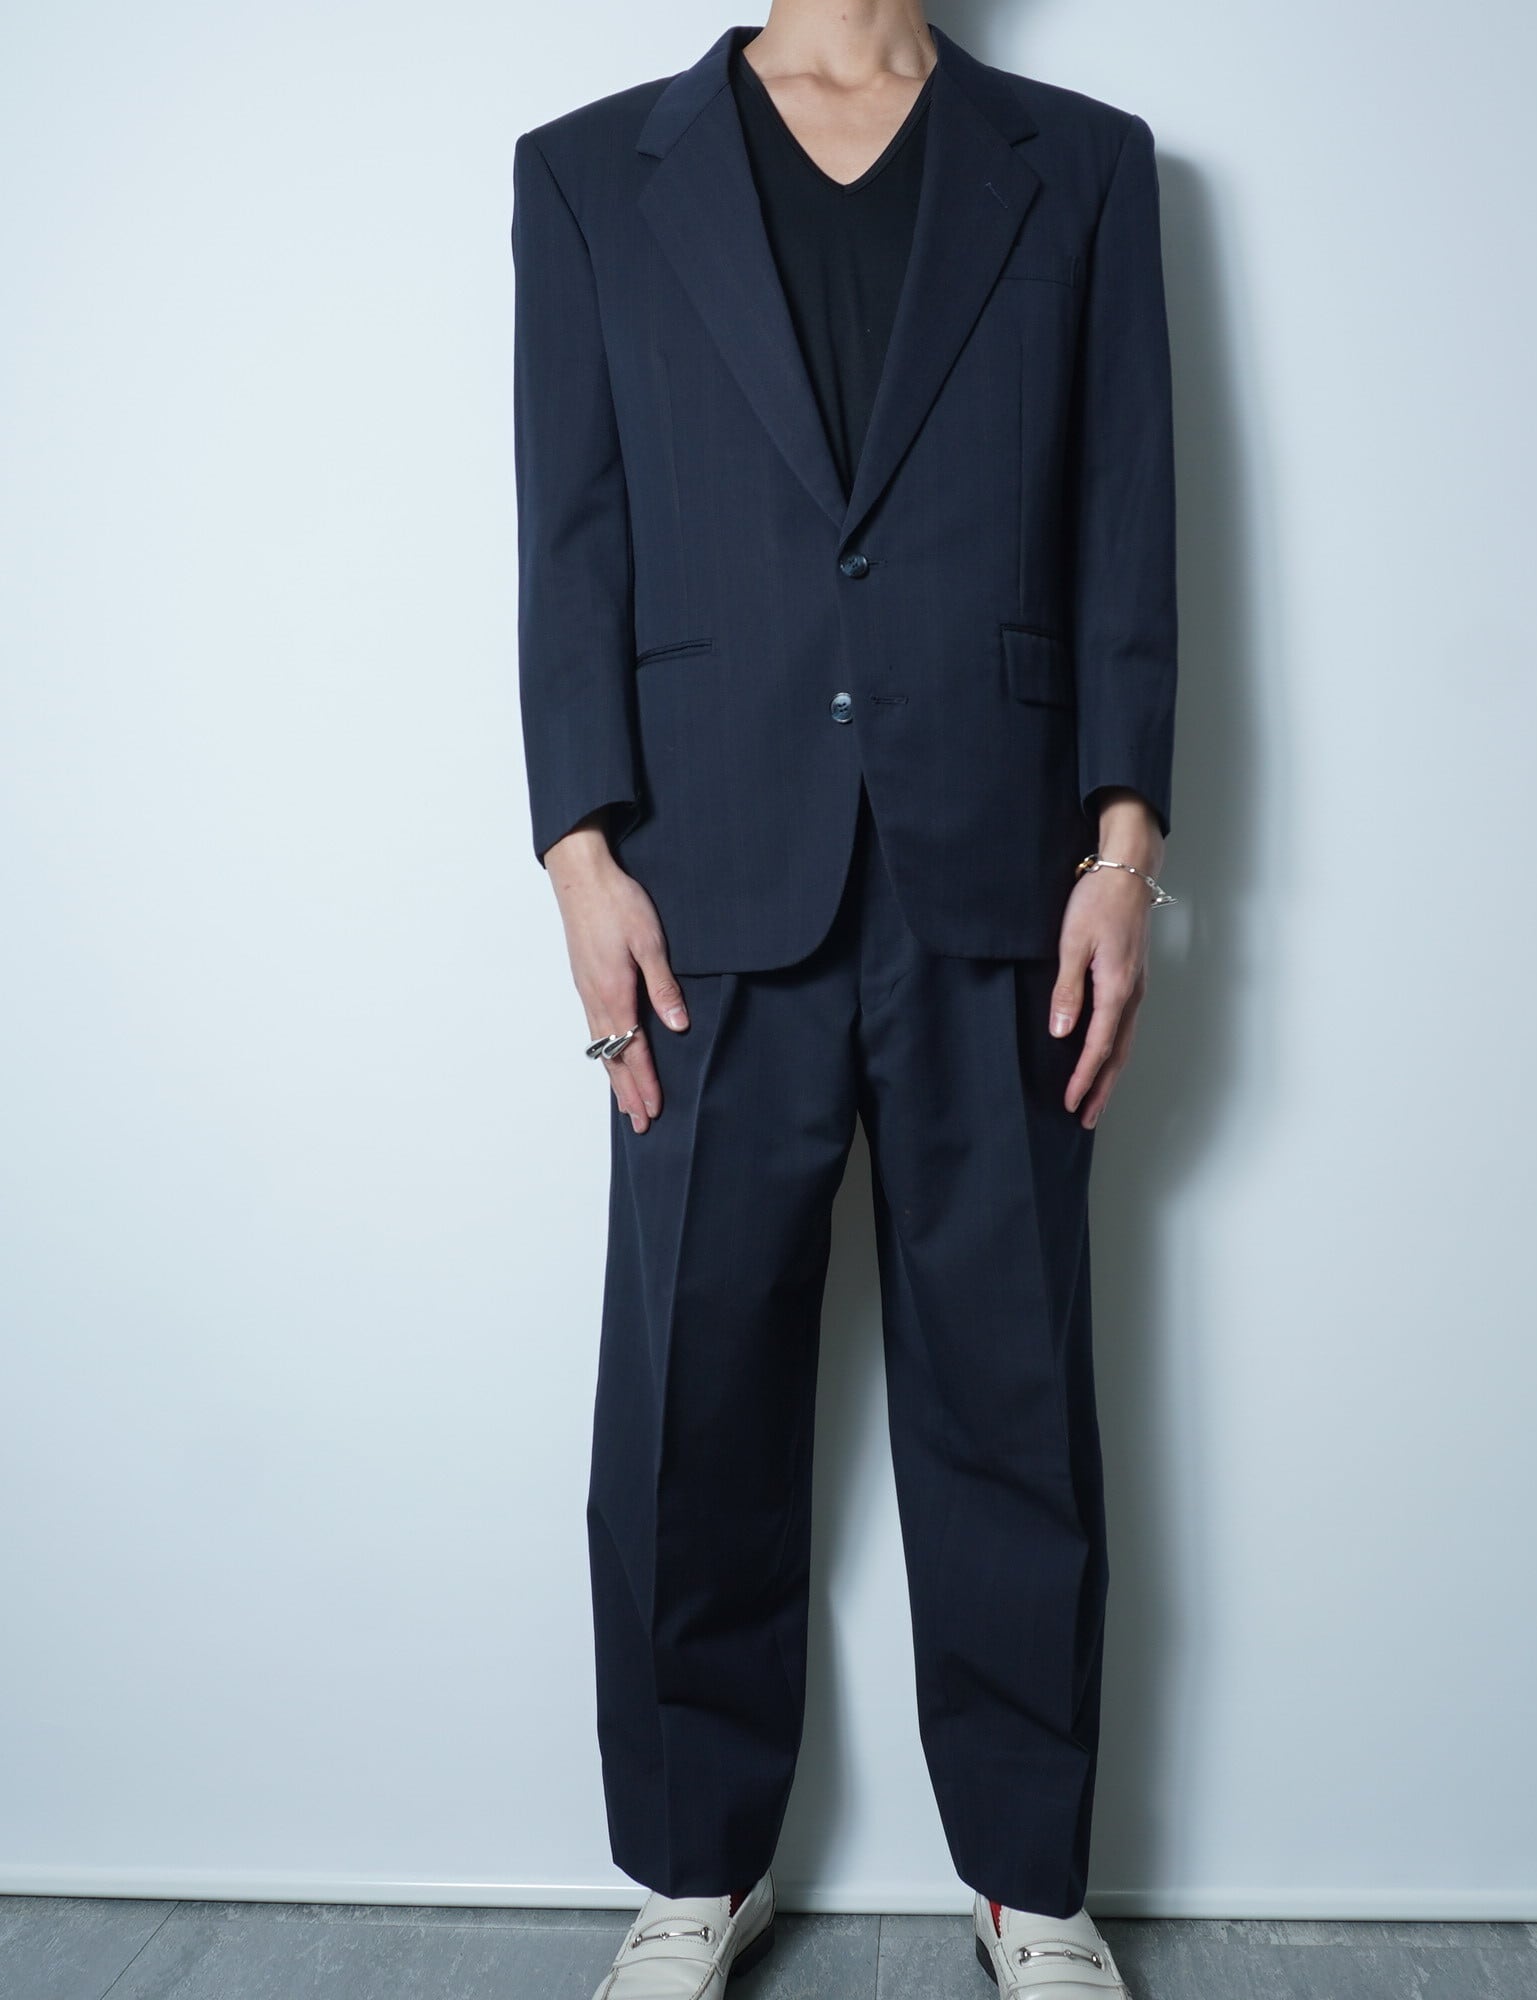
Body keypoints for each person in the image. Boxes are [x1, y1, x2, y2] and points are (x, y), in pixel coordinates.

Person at [510, 4, 1177, 1993]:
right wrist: (578, 859)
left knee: (1013, 1393)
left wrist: (1124, 854)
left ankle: (1030, 1884)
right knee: (689, 1399)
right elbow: (568, 538)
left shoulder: (1081, 165)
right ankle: (690, 1869)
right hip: (704, 879)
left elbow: (1126, 519)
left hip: (1001, 867)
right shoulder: (590, 174)